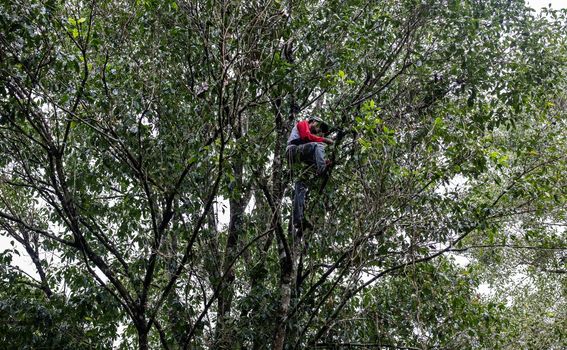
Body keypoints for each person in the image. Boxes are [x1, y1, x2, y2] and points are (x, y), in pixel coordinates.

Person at [286, 116, 334, 232]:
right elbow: (306, 137)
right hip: (293, 151)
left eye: (320, 132)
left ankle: (298, 219)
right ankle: (322, 170)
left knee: (301, 184)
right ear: (313, 122)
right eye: (318, 128)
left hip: (301, 155)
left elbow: (309, 143)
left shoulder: (310, 140)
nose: (318, 132)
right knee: (318, 145)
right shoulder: (303, 124)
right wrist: (324, 140)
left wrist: (325, 162)